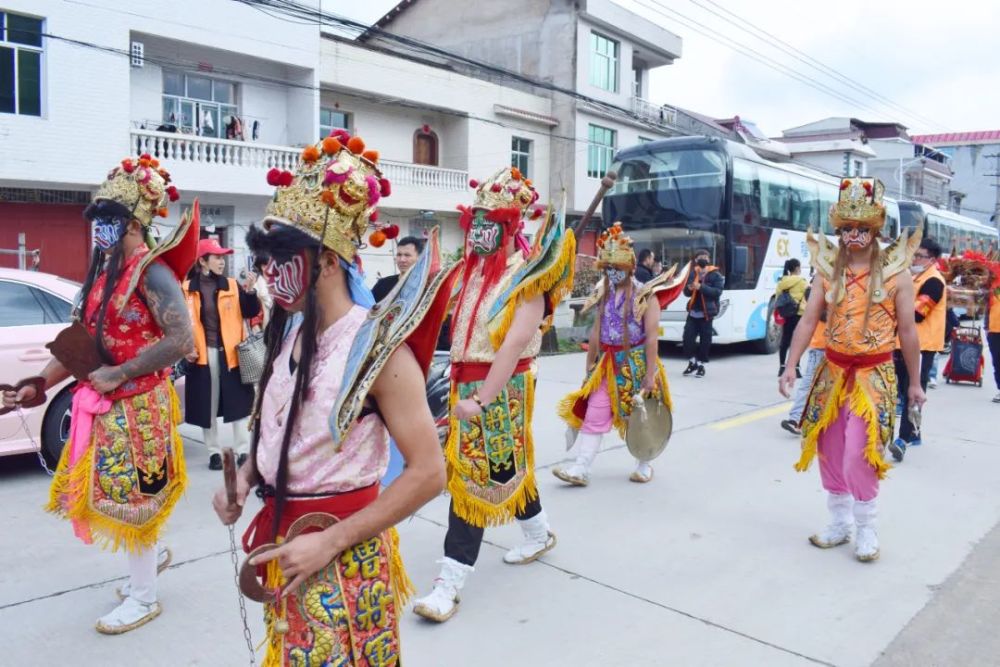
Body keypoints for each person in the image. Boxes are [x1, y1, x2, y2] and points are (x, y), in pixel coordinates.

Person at [214, 132, 453, 666]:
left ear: (325, 262)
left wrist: (331, 541)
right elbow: (283, 432)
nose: (268, 274)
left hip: (344, 563)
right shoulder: (289, 332)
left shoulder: (378, 351)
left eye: (280, 260)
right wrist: (248, 478)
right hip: (285, 546)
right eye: (265, 260)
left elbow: (429, 473)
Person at [3, 155, 196, 633]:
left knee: (135, 498)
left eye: (106, 222)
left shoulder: (153, 273)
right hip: (106, 404)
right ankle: (143, 572)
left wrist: (122, 371)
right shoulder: (102, 275)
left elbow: (181, 341)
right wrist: (38, 384)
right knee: (117, 493)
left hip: (142, 405)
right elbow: (80, 342)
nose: (97, 231)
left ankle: (144, 594)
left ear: (131, 224)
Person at [411, 166, 575, 623]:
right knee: (507, 465)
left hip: (502, 387)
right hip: (464, 383)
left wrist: (482, 399)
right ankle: (539, 533)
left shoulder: (526, 279)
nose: (478, 228)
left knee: (474, 480)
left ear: (507, 227)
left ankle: (449, 583)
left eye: (489, 221)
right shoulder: (468, 274)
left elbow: (514, 345)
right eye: (475, 218)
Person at [779, 177, 926, 563]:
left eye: (861, 228)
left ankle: (867, 528)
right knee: (828, 450)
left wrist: (915, 383)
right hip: (831, 373)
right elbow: (809, 321)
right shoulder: (828, 269)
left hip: (873, 376)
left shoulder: (897, 273)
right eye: (846, 229)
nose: (853, 236)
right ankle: (840, 523)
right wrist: (790, 365)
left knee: (858, 455)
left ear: (875, 228)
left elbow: (909, 332)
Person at [554, 222, 682, 485]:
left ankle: (644, 464)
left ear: (630, 267)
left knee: (641, 418)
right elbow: (596, 329)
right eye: (608, 268)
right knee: (595, 413)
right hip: (607, 365)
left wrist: (650, 374)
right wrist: (590, 363)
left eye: (617, 268)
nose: (612, 273)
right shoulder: (604, 292)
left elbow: (651, 338)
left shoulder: (646, 296)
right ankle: (580, 468)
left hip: (635, 363)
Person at [182, 238, 261, 470]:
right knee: (209, 404)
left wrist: (250, 292)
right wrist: (185, 348)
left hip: (231, 352)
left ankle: (243, 451)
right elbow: (179, 323)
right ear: (202, 261)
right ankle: (214, 452)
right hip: (202, 355)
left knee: (239, 404)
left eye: (223, 257)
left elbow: (251, 311)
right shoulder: (187, 289)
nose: (221, 262)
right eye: (217, 257)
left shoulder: (233, 286)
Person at [889, 237, 946, 462]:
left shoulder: (934, 281)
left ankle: (903, 439)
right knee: (899, 392)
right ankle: (914, 432)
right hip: (901, 343)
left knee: (913, 391)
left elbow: (918, 313)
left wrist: (892, 310)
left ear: (931, 259)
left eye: (919, 256)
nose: (915, 259)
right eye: (914, 255)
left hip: (922, 347)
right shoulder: (915, 277)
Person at [682, 248, 724, 377]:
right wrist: (689, 289)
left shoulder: (715, 274)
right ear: (696, 260)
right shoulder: (692, 273)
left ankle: (701, 365)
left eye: (705, 258)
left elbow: (717, 292)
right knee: (687, 339)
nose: (703, 260)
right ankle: (692, 362)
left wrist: (701, 287)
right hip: (693, 312)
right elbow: (686, 292)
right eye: (700, 257)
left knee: (705, 341)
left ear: (709, 260)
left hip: (707, 313)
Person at [781, 315, 826, 436]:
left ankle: (799, 419)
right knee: (808, 386)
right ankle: (796, 420)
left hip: (837, 350)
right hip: (820, 349)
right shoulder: (821, 299)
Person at [775, 258, 807, 377]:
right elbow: (807, 298)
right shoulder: (802, 282)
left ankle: (782, 367)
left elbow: (778, 296)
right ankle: (796, 368)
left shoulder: (782, 282)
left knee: (785, 340)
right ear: (797, 268)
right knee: (797, 342)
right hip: (798, 314)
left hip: (787, 314)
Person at [371, 235, 425, 302]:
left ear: (419, 258)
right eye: (399, 255)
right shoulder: (382, 284)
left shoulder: (424, 286)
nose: (402, 260)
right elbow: (368, 308)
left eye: (407, 255)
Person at [986, 270, 1000, 403]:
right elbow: (988, 306)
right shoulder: (993, 283)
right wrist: (986, 326)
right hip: (994, 329)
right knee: (997, 361)